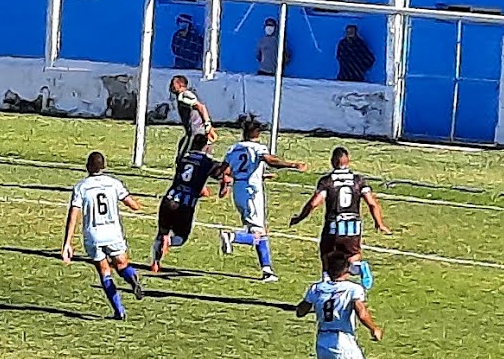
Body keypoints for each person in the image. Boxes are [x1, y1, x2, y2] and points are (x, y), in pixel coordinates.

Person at [62, 151, 147, 319]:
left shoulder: (81, 187)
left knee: (104, 272)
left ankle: (119, 310)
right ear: (104, 167)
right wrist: (139, 205)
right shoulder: (113, 183)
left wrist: (67, 243)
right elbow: (132, 204)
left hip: (94, 235)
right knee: (122, 265)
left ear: (87, 167)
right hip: (113, 233)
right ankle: (132, 280)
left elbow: (73, 214)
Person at [217, 118, 303, 280]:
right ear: (256, 133)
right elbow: (271, 161)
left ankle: (267, 270)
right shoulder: (258, 148)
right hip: (252, 192)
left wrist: (226, 185)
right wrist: (292, 165)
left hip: (239, 191)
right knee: (258, 232)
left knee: (258, 231)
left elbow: (224, 171)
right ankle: (231, 236)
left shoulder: (233, 149)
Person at [287, 147, 388, 284]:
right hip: (353, 226)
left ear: (333, 162)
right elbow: (372, 203)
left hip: (333, 226)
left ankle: (326, 286)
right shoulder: (359, 180)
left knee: (327, 257)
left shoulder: (327, 181)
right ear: (349, 161)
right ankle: (357, 268)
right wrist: (379, 223)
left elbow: (313, 204)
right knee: (353, 254)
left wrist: (299, 218)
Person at [153, 131, 224, 273]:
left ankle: (155, 263)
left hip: (169, 199)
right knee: (181, 237)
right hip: (186, 204)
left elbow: (187, 175)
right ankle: (170, 242)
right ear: (205, 146)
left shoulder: (183, 158)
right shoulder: (207, 162)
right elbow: (221, 173)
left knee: (162, 233)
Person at [168, 74, 211, 150]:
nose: (171, 86)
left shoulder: (185, 95)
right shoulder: (181, 96)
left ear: (180, 84)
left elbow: (201, 106)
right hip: (191, 131)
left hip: (196, 131)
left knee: (187, 154)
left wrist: (207, 123)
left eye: (173, 84)